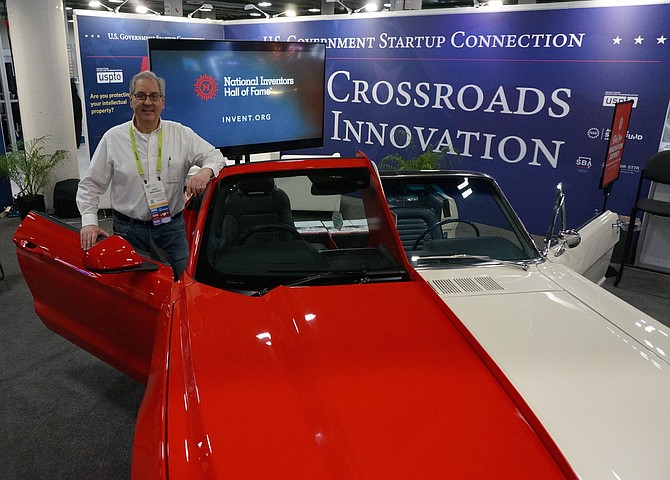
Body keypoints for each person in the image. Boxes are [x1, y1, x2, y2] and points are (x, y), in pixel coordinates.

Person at [77, 70, 225, 279]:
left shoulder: (180, 134)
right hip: (129, 231)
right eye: (141, 96)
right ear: (131, 100)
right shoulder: (113, 138)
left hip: (171, 229)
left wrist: (205, 171)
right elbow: (90, 185)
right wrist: (90, 221)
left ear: (162, 101)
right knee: (133, 290)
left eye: (154, 96)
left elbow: (215, 156)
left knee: (183, 285)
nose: (148, 102)